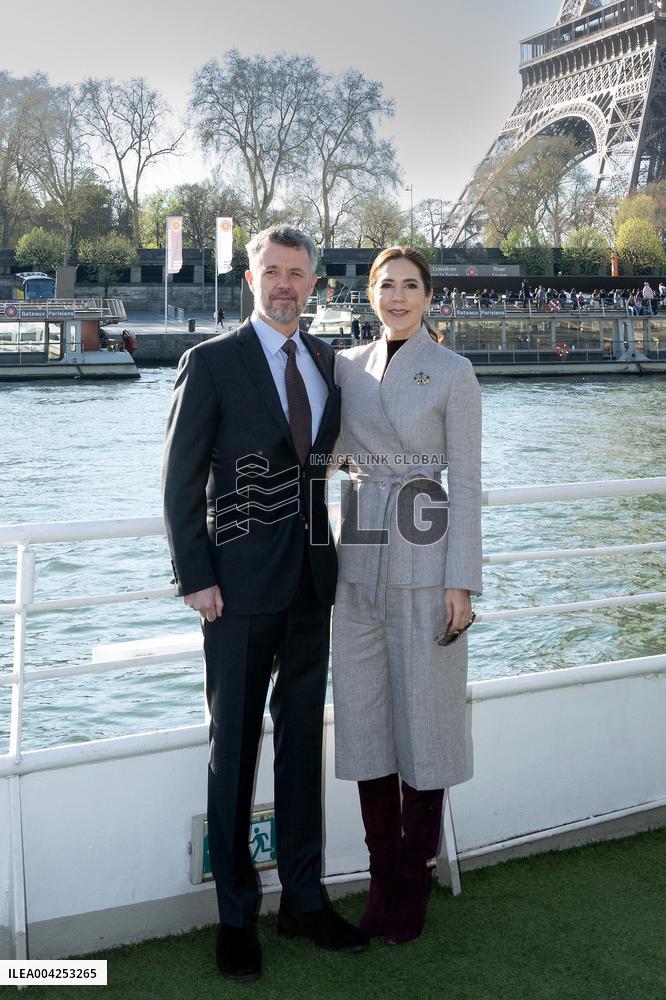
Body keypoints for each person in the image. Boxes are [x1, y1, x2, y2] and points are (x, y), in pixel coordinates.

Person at [162, 225, 366, 983]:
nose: (285, 285)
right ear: (252, 279)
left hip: (314, 585)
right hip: (236, 591)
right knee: (236, 748)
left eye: (298, 274)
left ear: (315, 283)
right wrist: (195, 576)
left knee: (301, 747)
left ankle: (305, 901)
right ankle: (236, 916)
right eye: (273, 272)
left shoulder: (325, 363)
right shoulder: (209, 363)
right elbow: (181, 482)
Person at [332, 246, 482, 946]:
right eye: (385, 286)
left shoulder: (455, 372)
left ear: (429, 297)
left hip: (426, 543)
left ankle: (412, 875)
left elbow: (470, 485)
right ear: (369, 294)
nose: (397, 297)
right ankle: (380, 871)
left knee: (426, 718)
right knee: (364, 716)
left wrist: (463, 580)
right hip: (357, 547)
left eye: (410, 287)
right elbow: (319, 450)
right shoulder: (345, 367)